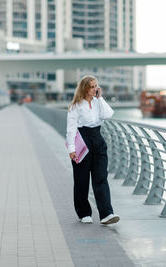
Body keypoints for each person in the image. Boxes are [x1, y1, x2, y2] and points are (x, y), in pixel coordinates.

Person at [66, 75, 120, 225]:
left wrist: (100, 98)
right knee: (81, 180)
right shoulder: (75, 106)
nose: (95, 89)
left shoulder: (98, 103)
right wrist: (71, 148)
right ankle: (83, 212)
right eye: (92, 86)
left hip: (98, 140)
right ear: (84, 88)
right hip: (82, 141)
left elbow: (108, 114)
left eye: (96, 86)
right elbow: (71, 129)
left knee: (101, 178)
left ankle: (106, 214)